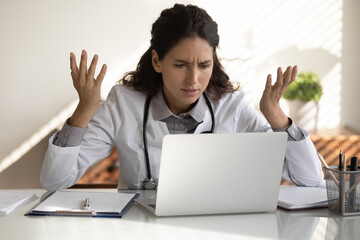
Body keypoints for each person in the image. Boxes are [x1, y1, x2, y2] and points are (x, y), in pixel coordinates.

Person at [40, 4, 323, 191]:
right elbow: (55, 182)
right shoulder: (124, 103)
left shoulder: (230, 106)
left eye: (204, 65)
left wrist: (275, 116)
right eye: (180, 65)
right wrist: (84, 110)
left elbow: (309, 179)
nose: (194, 80)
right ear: (157, 61)